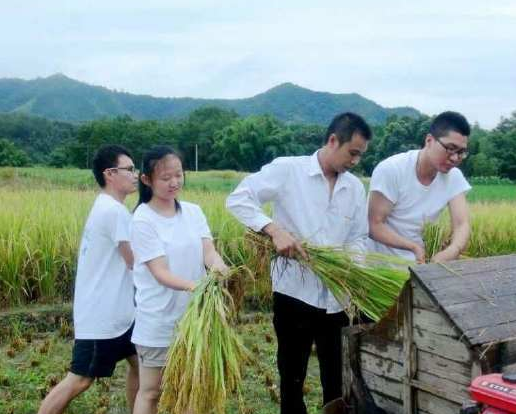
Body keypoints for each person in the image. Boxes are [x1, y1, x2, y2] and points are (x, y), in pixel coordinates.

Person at [225, 112, 371, 414]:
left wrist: (350, 265)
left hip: (337, 298)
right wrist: (274, 230)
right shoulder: (288, 170)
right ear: (333, 141)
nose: (355, 161)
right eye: (352, 152)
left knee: (337, 381)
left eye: (360, 155)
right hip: (294, 294)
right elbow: (239, 198)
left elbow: (359, 236)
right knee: (292, 378)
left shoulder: (354, 188)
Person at [38, 145, 139, 414]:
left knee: (142, 364)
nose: (135, 174)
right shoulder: (114, 211)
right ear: (110, 174)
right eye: (129, 169)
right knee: (80, 379)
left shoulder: (107, 206)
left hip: (122, 315)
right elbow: (135, 262)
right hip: (102, 317)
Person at [129, 146, 229, 414]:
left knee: (191, 386)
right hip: (159, 319)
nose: (174, 182)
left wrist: (221, 271)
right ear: (147, 180)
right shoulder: (142, 220)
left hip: (195, 318)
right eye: (165, 178)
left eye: (178, 175)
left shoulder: (193, 212)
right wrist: (197, 287)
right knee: (151, 391)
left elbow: (208, 252)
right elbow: (160, 272)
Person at [368, 111, 472, 263]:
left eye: (461, 152)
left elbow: (461, 223)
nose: (455, 158)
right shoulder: (392, 170)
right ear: (429, 140)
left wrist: (452, 251)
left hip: (421, 267)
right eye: (450, 148)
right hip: (382, 269)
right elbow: (373, 224)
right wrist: (413, 247)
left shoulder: (453, 177)